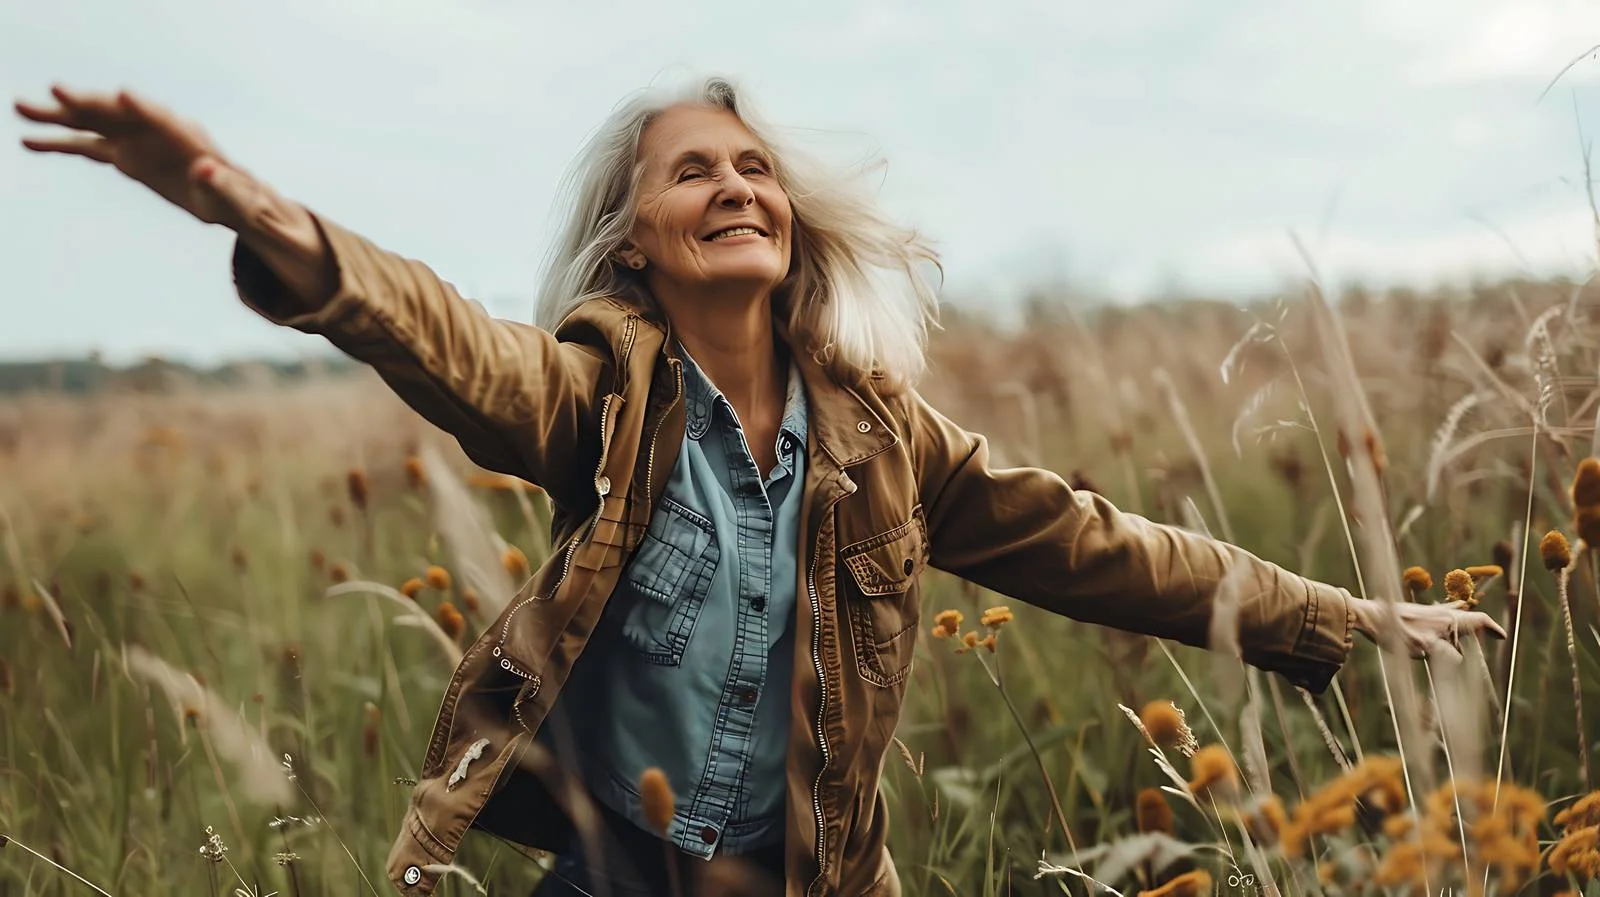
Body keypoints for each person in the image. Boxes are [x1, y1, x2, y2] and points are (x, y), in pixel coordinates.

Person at [16, 76, 1505, 897]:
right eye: (691, 173)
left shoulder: (881, 444)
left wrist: (1347, 611)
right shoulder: (605, 400)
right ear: (637, 243)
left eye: (754, 165)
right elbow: (454, 348)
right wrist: (258, 211)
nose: (736, 185)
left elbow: (1098, 547)